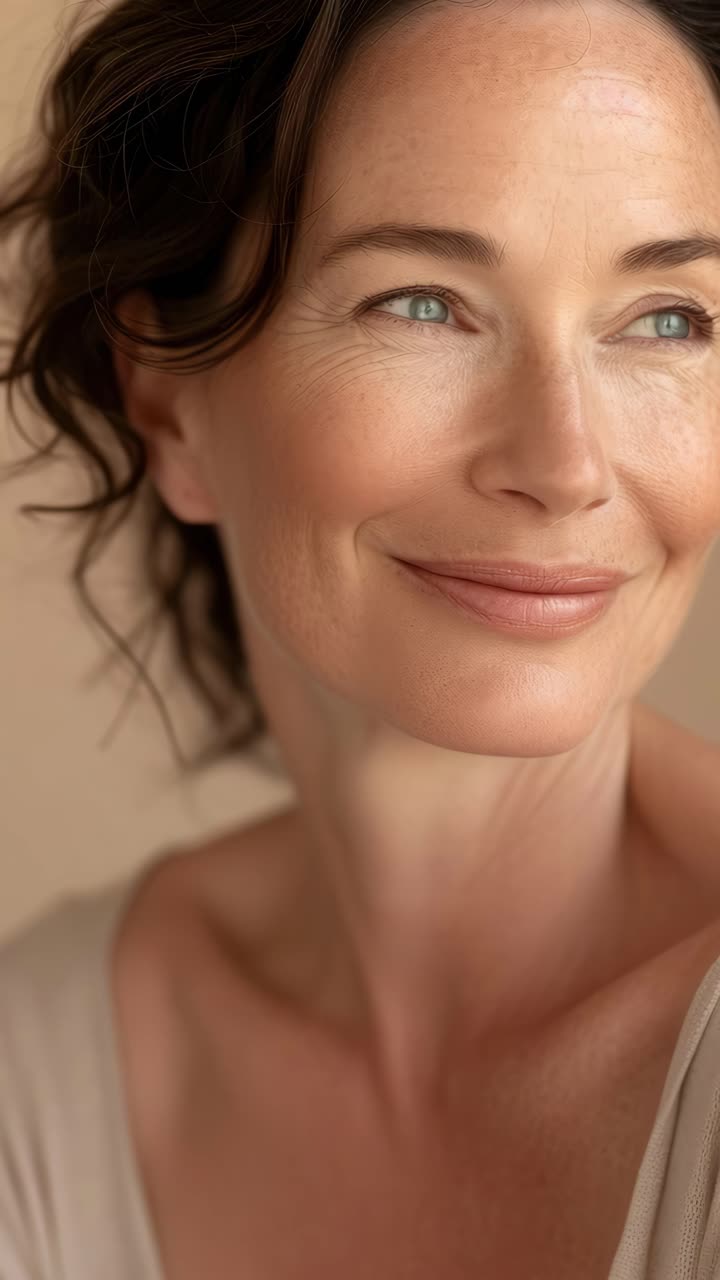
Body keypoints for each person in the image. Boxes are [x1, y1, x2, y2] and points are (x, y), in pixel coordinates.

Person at [1, 0, 720, 1275]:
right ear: (166, 401)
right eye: (424, 304)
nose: (564, 465)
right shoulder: (34, 1066)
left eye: (669, 318)